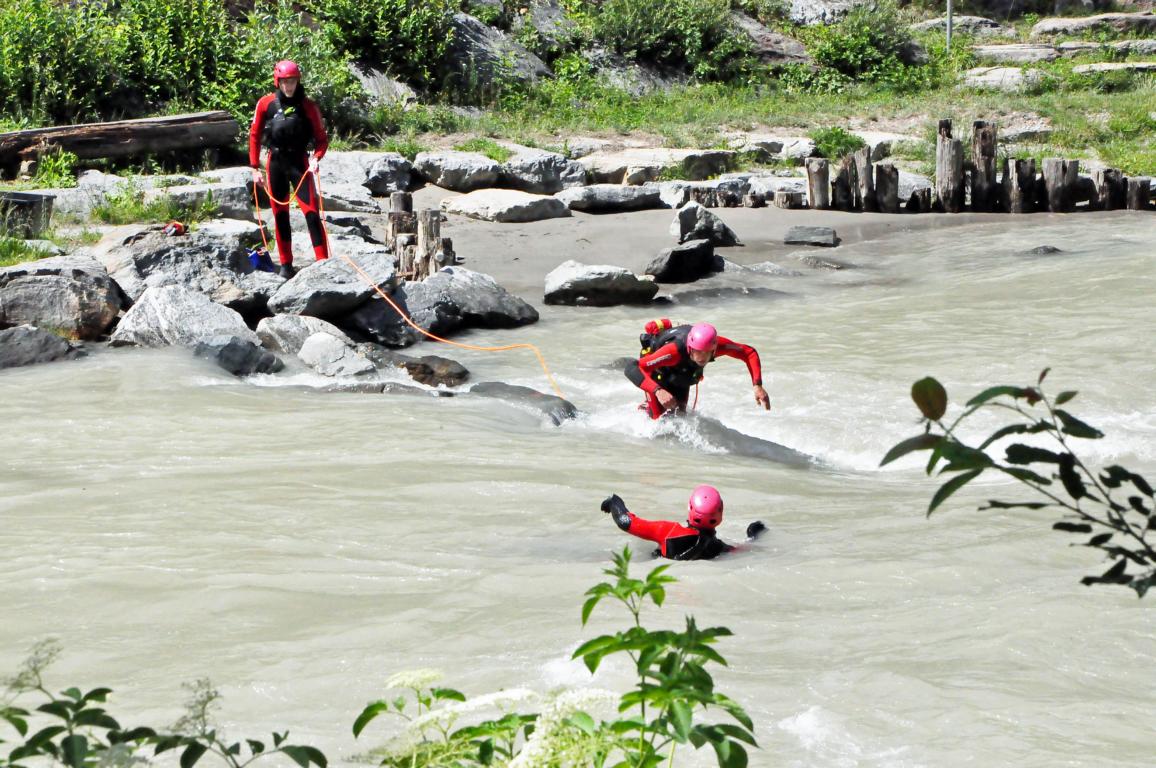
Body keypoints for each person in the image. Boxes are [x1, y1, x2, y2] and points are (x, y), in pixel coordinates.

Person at [249, 60, 329, 279]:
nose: (289, 86)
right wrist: (255, 168)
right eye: (285, 81)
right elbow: (255, 135)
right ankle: (286, 264)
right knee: (280, 216)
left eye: (292, 81)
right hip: (275, 163)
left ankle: (323, 262)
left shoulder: (308, 106)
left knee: (311, 213)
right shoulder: (266, 104)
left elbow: (322, 140)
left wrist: (316, 158)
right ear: (278, 81)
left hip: (300, 163)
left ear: (298, 80)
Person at [625, 320, 770, 419]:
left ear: (714, 349)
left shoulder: (716, 346)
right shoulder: (673, 352)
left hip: (682, 373)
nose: (702, 357)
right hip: (657, 372)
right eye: (698, 352)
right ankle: (647, 408)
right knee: (659, 420)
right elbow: (632, 367)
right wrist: (658, 391)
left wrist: (757, 385)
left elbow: (748, 352)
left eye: (707, 353)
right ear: (689, 348)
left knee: (680, 417)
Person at [601, 486, 766, 561]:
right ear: (720, 514)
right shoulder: (719, 548)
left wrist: (614, 502)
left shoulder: (668, 531)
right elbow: (744, 550)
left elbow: (625, 522)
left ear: (690, 508)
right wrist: (753, 534)